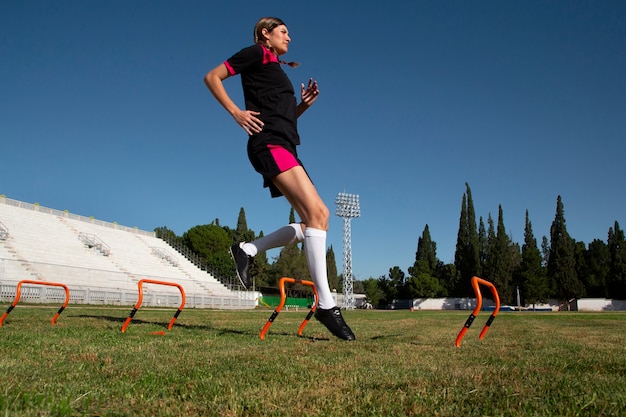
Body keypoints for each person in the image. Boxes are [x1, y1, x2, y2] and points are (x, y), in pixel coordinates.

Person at [204, 17, 355, 340]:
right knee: (319, 215)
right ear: (265, 34)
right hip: (269, 143)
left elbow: (281, 114)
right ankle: (326, 305)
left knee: (314, 222)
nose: (290, 36)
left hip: (284, 145)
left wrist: (303, 107)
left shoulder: (276, 67)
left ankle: (248, 249)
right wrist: (236, 112)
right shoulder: (256, 54)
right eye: (283, 31)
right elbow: (212, 76)